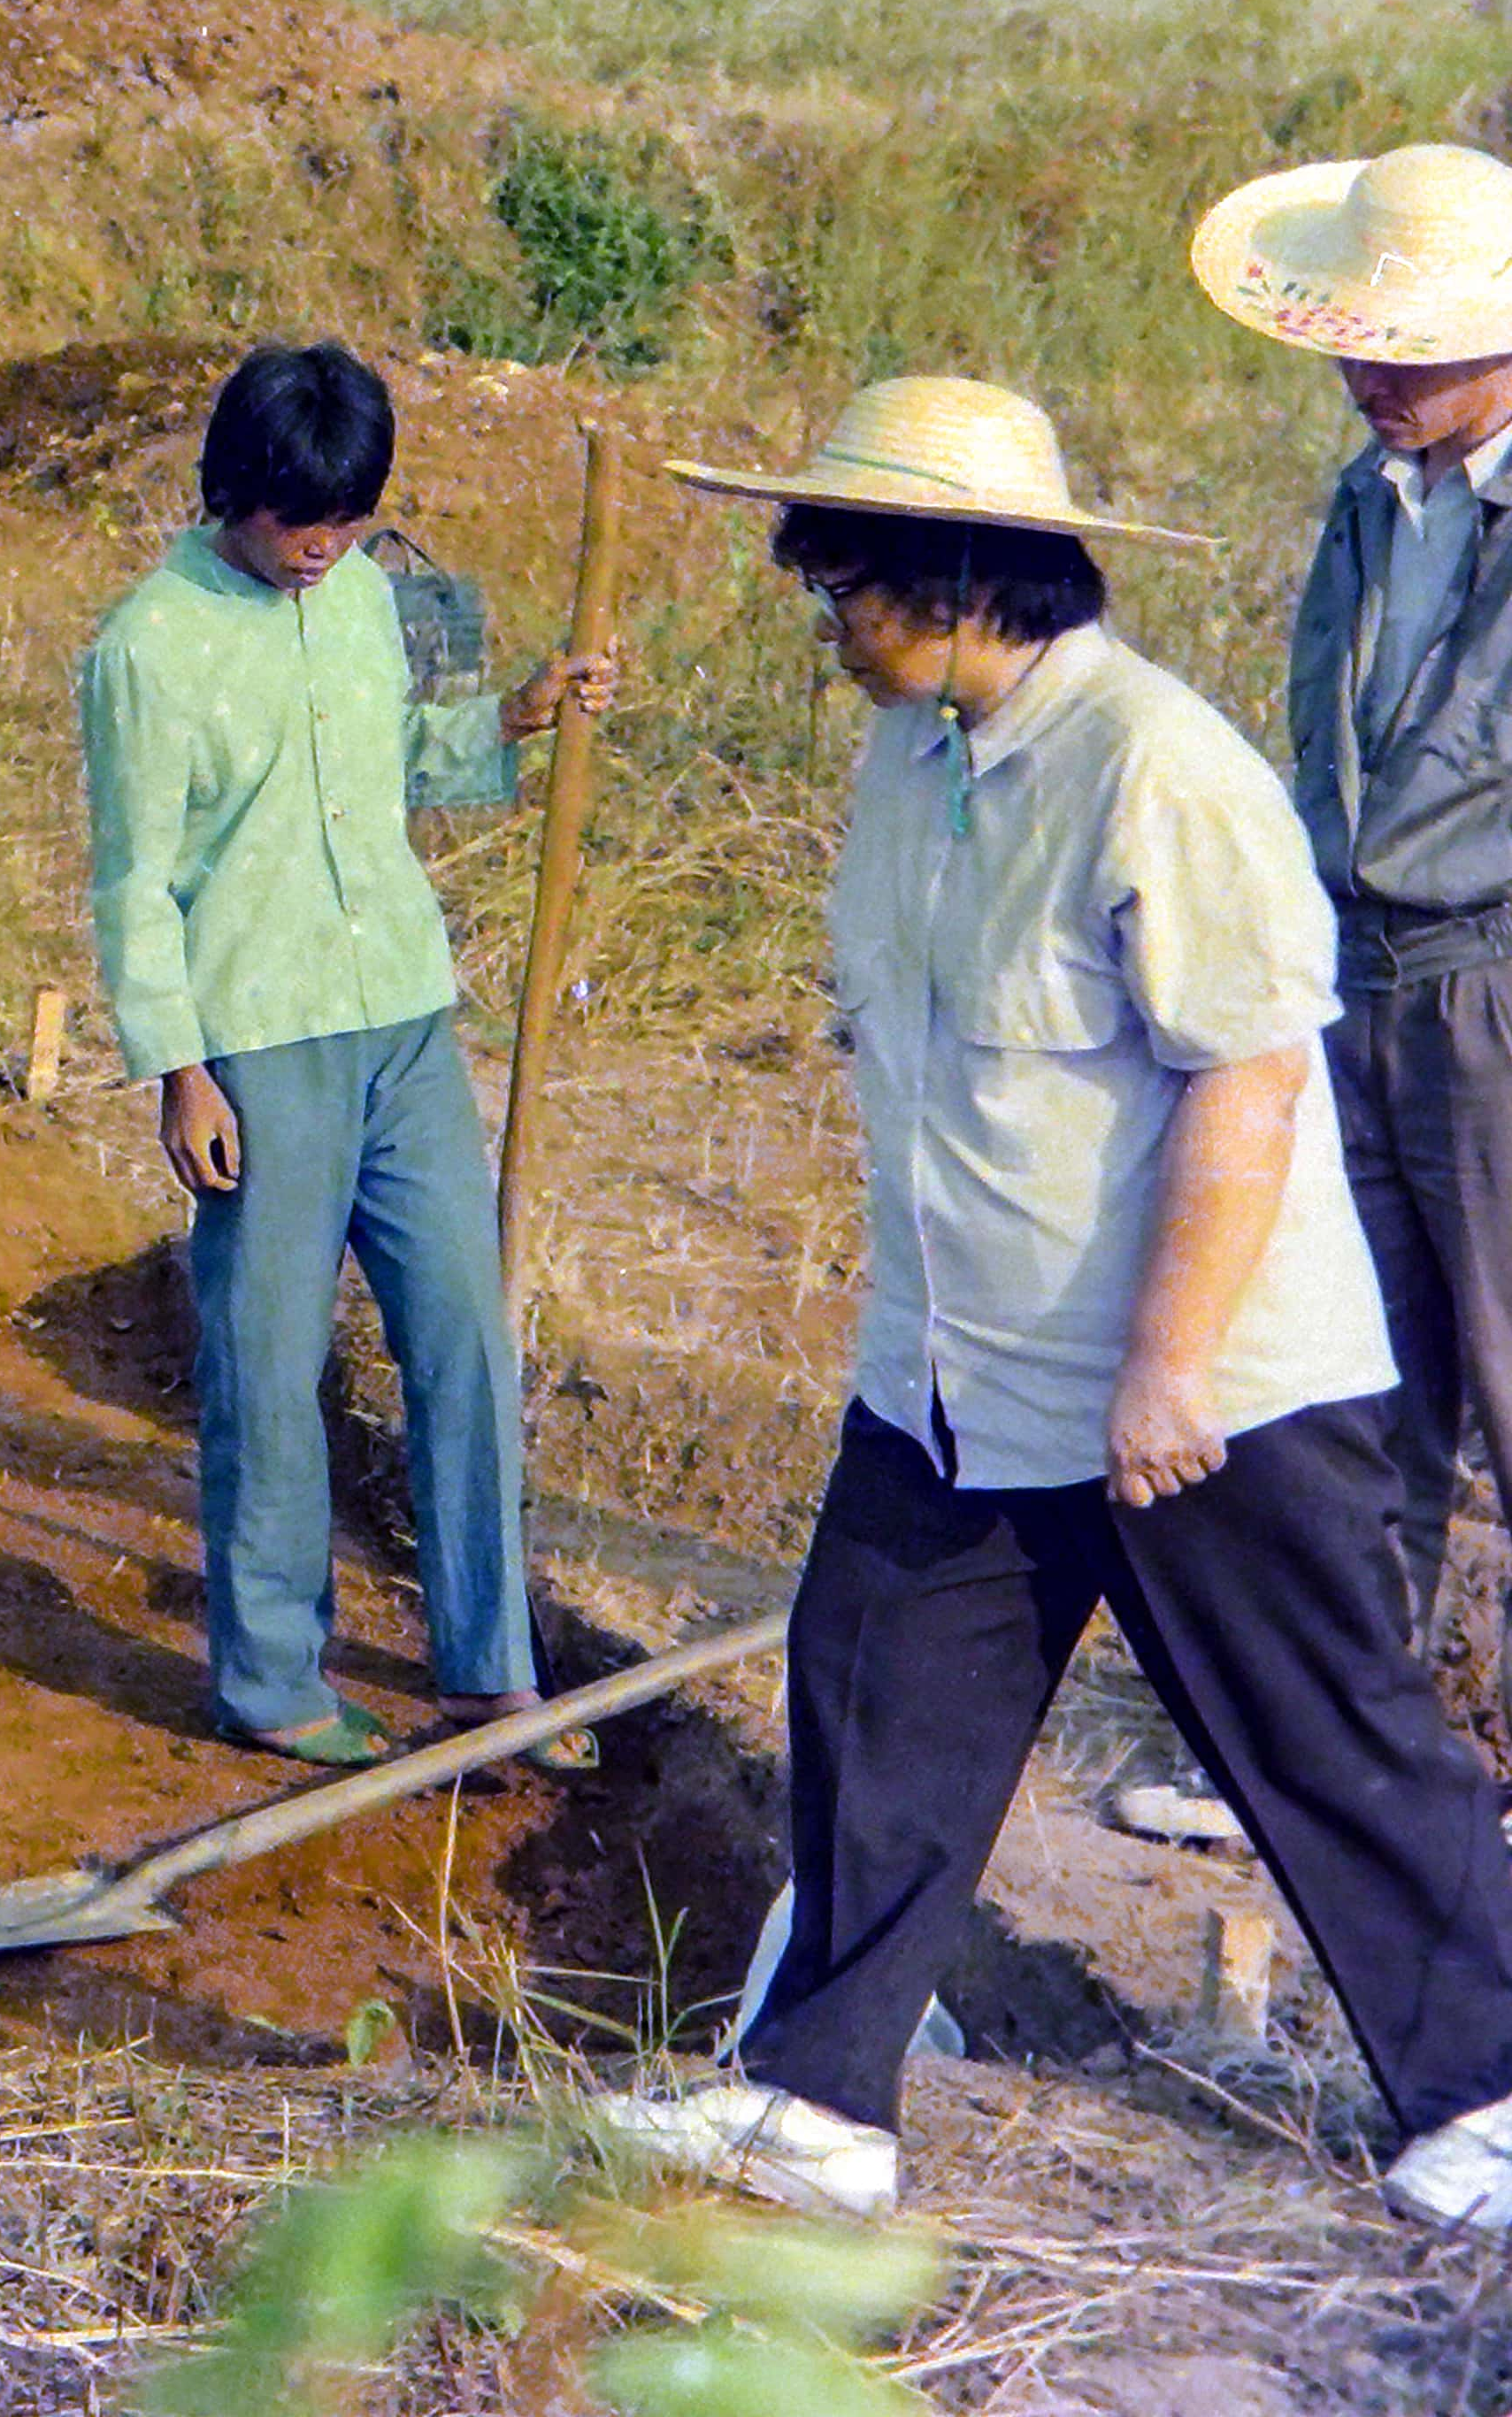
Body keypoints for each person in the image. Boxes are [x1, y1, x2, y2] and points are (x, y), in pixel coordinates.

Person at [604, 377, 1512, 2228]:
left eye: (847, 590)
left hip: (1208, 1383)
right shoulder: (917, 758)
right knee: (870, 1701)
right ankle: (820, 2098)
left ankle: (1487, 2091)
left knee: (1322, 1736)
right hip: (966, 1370)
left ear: (957, 582)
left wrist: (1169, 1370)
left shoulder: (1157, 769)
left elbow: (1248, 1078)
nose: (829, 629)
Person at [76, 344, 614, 1763]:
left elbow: (389, 771)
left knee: (465, 1337)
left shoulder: (366, 596)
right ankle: (273, 1685)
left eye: (347, 524)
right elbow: (133, 881)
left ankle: (490, 1672)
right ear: (234, 494)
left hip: (402, 1025)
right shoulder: (149, 645)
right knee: (268, 1363)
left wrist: (505, 721)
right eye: (298, 526)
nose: (321, 552)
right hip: (256, 1047)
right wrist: (177, 1068)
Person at [1192, 142, 1512, 1679]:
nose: (1360, 370)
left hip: (1493, 985)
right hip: (1357, 977)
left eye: (1401, 339)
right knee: (1367, 1388)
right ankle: (1379, 1758)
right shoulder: (1365, 500)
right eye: (1349, 335)